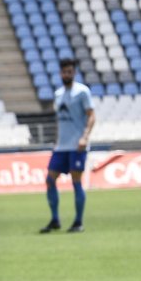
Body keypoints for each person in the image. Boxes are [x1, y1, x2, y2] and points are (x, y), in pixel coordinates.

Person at [40, 58, 95, 234]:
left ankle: (78, 221)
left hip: (77, 145)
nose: (67, 74)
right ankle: (55, 219)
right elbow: (60, 121)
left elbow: (91, 116)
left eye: (70, 71)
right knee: (50, 180)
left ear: (74, 73)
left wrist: (85, 137)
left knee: (76, 181)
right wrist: (56, 141)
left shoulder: (82, 92)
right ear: (60, 73)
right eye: (64, 72)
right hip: (61, 146)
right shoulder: (58, 94)